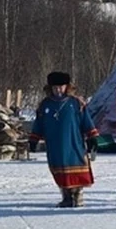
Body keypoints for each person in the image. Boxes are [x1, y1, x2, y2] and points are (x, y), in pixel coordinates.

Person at [29, 72, 98, 208]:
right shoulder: (45, 105)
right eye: (55, 87)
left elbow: (86, 121)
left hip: (73, 143)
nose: (58, 90)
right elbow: (39, 123)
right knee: (59, 170)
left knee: (76, 168)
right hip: (54, 144)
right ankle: (66, 197)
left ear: (67, 87)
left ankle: (77, 195)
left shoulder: (76, 103)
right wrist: (34, 139)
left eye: (61, 87)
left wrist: (92, 137)